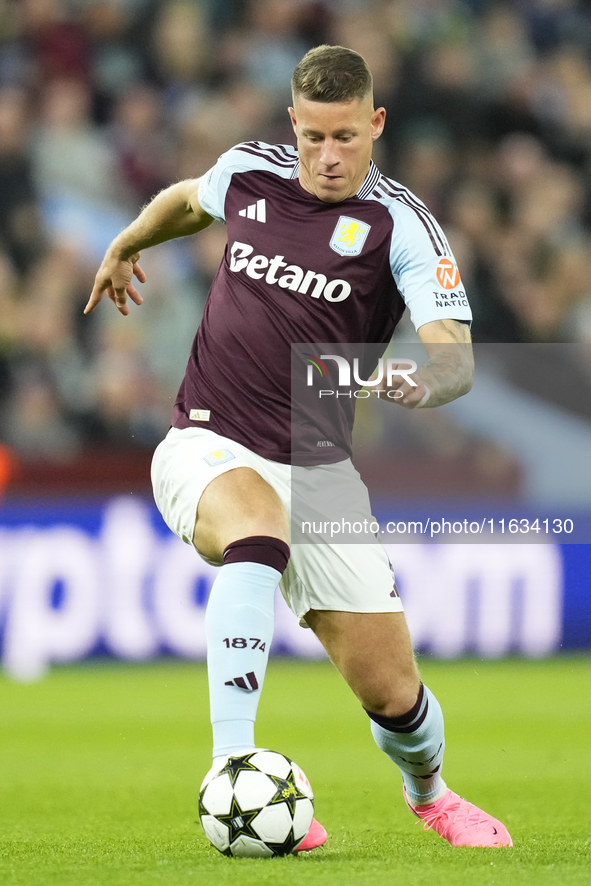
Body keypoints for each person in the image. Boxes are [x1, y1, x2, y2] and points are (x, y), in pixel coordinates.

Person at [86, 45, 512, 851]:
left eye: (345, 137)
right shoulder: (249, 172)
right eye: (313, 136)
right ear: (292, 124)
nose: (326, 155)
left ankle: (431, 794)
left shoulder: (403, 226)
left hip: (318, 471)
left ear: (375, 124)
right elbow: (186, 200)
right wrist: (127, 244)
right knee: (256, 532)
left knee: (394, 696)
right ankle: (231, 765)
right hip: (205, 442)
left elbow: (452, 349)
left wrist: (426, 382)